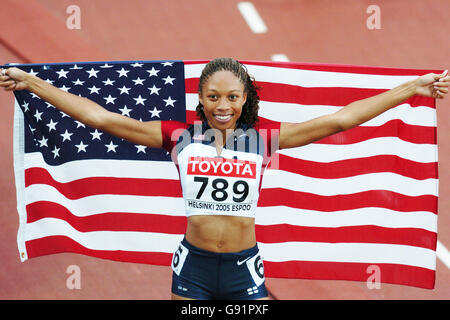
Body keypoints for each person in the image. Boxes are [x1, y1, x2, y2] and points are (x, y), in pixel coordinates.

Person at [0, 58, 448, 300]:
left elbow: (339, 119)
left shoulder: (262, 141)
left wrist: (412, 89)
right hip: (192, 268)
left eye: (232, 97)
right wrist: (31, 83)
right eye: (213, 96)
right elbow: (101, 117)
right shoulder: (179, 137)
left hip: (243, 268)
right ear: (200, 98)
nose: (222, 105)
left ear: (244, 99)